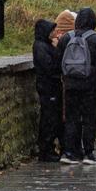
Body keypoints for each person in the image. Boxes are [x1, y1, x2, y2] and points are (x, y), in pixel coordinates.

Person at [57, 8, 96, 165]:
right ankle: (88, 152)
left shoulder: (66, 38)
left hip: (70, 85)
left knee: (71, 118)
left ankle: (69, 152)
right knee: (89, 118)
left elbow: (58, 60)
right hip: (89, 85)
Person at [33, 19, 62, 162]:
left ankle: (49, 146)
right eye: (52, 30)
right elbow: (49, 66)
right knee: (48, 118)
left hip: (52, 85)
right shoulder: (41, 47)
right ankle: (45, 149)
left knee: (53, 117)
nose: (55, 32)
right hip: (48, 86)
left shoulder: (47, 45)